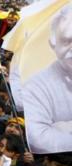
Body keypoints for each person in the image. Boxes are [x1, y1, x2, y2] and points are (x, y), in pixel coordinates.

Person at [22, 5, 72, 154]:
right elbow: (39, 140)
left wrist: (63, 127)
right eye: (67, 41)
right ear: (53, 44)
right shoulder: (36, 85)